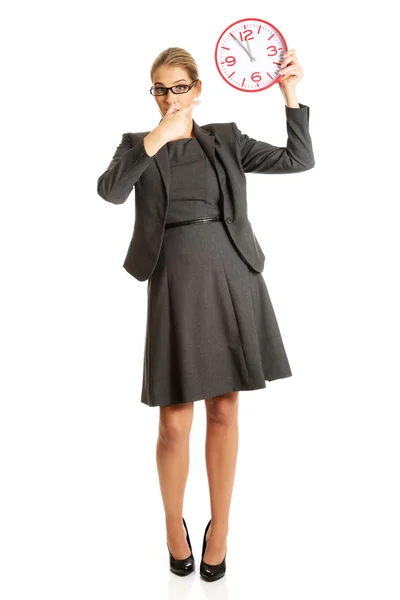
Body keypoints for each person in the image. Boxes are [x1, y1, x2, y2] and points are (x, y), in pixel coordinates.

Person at [97, 46, 315, 581]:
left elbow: (298, 159)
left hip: (233, 273)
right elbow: (109, 192)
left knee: (224, 409)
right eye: (159, 89)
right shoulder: (136, 147)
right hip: (175, 277)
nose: (169, 98)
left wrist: (290, 95)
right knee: (175, 420)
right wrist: (155, 140)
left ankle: (220, 527)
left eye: (178, 87)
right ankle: (175, 526)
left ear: (197, 90)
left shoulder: (225, 138)